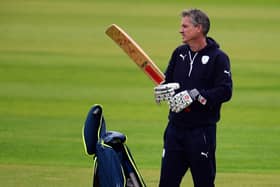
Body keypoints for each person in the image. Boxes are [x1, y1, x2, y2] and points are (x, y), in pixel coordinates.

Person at [154, 9, 233, 187]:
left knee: (204, 183)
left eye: (185, 26)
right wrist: (163, 90)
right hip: (174, 130)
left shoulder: (218, 58)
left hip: (201, 133)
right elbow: (169, 81)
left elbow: (225, 91)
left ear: (199, 28)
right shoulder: (179, 53)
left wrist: (196, 95)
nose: (180, 30)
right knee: (166, 183)